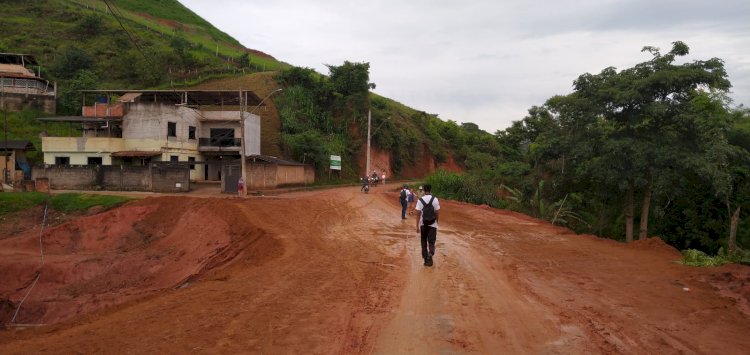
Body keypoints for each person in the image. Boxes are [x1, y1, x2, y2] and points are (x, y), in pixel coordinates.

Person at [415, 184, 440, 266]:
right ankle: (430, 254)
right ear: (430, 190)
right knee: (431, 242)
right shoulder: (435, 199)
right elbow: (437, 213)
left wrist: (417, 226)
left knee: (424, 242)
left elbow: (418, 214)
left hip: (423, 224)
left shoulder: (420, 200)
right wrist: (437, 222)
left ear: (424, 190)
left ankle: (426, 260)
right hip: (433, 224)